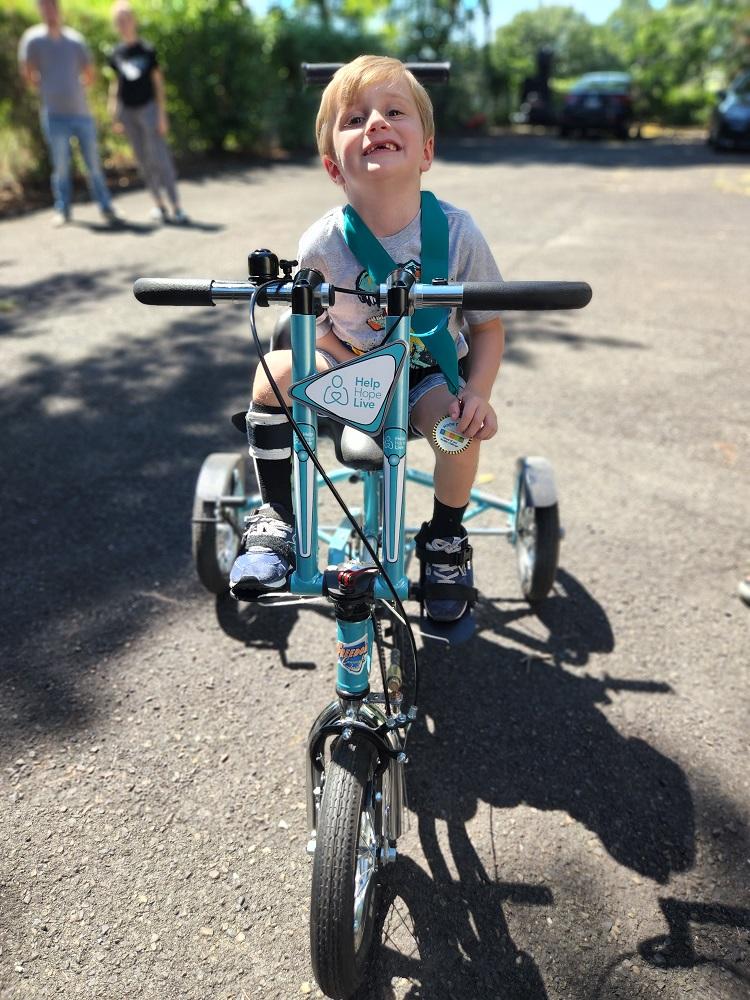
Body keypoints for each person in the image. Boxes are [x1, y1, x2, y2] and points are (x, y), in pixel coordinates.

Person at [230, 55, 505, 623]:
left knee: (459, 430)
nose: (376, 123)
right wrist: (308, 359)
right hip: (350, 359)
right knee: (270, 375)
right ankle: (277, 517)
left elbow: (487, 325)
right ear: (334, 166)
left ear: (426, 150)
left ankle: (446, 540)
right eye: (355, 118)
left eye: (394, 111)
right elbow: (318, 323)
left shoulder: (457, 233)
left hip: (426, 369)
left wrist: (477, 392)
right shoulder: (323, 241)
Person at [18, 0, 119, 227]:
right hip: (54, 115)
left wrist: (75, 89)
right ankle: (63, 210)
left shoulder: (75, 40)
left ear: (58, 8)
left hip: (81, 113)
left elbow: (89, 73)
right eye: (44, 6)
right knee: (61, 166)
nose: (49, 10)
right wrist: (46, 88)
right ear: (39, 10)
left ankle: (105, 205)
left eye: (52, 5)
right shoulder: (33, 40)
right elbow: (27, 73)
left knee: (93, 163)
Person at [107, 1, 187, 224]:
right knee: (143, 160)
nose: (123, 23)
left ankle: (177, 206)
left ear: (134, 20)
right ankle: (159, 205)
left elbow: (158, 84)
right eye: (119, 20)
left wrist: (162, 114)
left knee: (160, 157)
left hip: (148, 109)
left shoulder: (147, 50)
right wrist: (114, 111)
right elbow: (116, 83)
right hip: (127, 112)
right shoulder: (116, 52)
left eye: (126, 18)